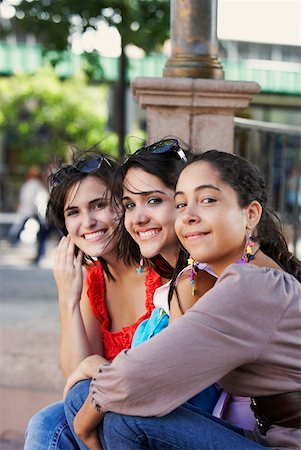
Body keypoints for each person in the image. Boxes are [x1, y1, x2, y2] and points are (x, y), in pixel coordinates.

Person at [66, 150, 300, 450]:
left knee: (117, 415)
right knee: (89, 404)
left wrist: (84, 427)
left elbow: (138, 378)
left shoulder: (252, 285)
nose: (188, 215)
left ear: (250, 214)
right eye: (181, 203)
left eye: (208, 200)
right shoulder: (240, 275)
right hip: (270, 435)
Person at [24, 150, 162, 449]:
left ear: (122, 207)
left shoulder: (158, 267)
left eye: (98, 205)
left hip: (155, 415)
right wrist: (68, 299)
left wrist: (98, 367)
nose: (87, 222)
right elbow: (77, 380)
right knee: (46, 423)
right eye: (73, 212)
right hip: (106, 409)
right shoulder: (93, 280)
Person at [8, 165, 49, 263]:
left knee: (23, 228)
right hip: (35, 212)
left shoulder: (27, 185)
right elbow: (40, 200)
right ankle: (40, 254)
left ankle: (39, 254)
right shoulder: (36, 185)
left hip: (29, 211)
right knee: (43, 233)